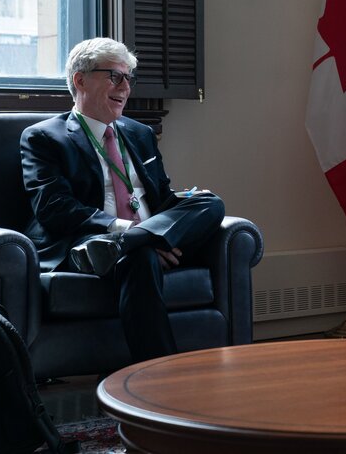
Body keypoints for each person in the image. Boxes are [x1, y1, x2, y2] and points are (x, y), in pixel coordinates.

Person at [21, 37, 225, 362]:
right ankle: (159, 373)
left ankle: (126, 244)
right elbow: (53, 208)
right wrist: (127, 231)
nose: (125, 87)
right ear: (80, 80)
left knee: (210, 202)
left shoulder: (140, 133)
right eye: (114, 76)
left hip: (143, 236)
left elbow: (162, 197)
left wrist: (143, 234)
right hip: (86, 243)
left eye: (129, 77)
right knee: (139, 256)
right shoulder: (44, 137)